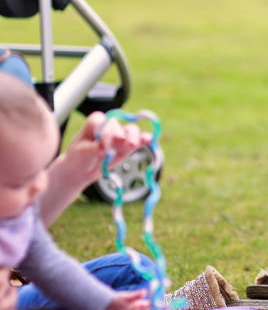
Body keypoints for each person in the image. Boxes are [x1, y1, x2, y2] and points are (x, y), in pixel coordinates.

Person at [0, 72, 154, 309]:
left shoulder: (14, 220)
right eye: (20, 182)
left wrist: (107, 303)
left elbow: (52, 267)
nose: (39, 185)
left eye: (42, 169)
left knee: (135, 272)